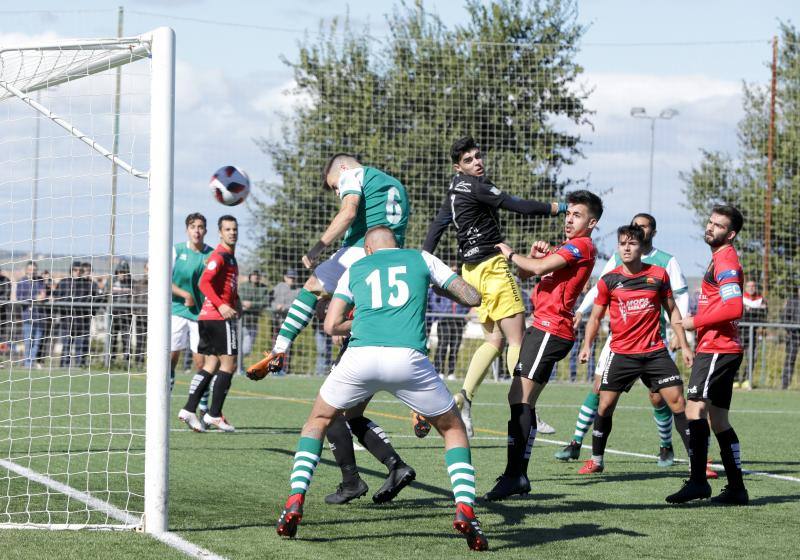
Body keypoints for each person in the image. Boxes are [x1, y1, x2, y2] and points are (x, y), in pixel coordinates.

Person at [275, 226, 488, 551]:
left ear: (369, 250)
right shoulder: (422, 259)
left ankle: (294, 500)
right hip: (409, 359)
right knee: (453, 429)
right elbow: (473, 297)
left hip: (360, 357)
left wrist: (363, 320)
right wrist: (437, 289)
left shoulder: (356, 268)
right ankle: (465, 509)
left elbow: (331, 325)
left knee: (317, 420)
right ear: (396, 246)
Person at [422, 136, 564, 437]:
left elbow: (437, 226)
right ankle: (527, 412)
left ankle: (463, 398)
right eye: (470, 160)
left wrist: (423, 260)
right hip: (492, 267)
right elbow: (518, 206)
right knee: (517, 341)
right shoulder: (477, 187)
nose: (478, 162)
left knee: (493, 342)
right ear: (458, 167)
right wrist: (557, 207)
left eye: (478, 156)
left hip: (470, 271)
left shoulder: (453, 190)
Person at [484, 190, 602, 501]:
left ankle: (514, 476)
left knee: (519, 397)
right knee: (523, 401)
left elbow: (533, 270)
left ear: (592, 223)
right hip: (545, 329)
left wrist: (509, 253)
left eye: (576, 215)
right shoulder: (569, 246)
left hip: (551, 329)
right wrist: (534, 258)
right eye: (568, 214)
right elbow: (529, 272)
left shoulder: (583, 245)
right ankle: (518, 475)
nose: (569, 219)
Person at [247, 153, 409, 379]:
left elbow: (348, 212)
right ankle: (349, 358)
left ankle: (280, 349)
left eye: (334, 185)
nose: (337, 192)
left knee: (314, 286)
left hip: (362, 250)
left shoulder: (352, 174)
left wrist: (316, 248)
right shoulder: (396, 185)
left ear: (342, 167)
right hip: (396, 261)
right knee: (346, 313)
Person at [555, 213, 691, 468]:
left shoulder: (661, 271)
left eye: (632, 242)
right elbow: (597, 311)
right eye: (623, 243)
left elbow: (674, 307)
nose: (627, 247)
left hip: (654, 348)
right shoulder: (611, 276)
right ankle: (589, 453)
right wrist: (585, 341)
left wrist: (683, 341)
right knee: (603, 402)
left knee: (673, 400)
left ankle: (690, 458)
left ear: (645, 241)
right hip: (621, 351)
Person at [666, 205, 749, 505]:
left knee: (693, 411)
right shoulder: (719, 258)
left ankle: (699, 481)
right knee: (720, 421)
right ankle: (737, 488)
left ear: (731, 233)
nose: (711, 227)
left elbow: (733, 308)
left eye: (719, 225)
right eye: (710, 222)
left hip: (717, 348)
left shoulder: (726, 258)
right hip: (722, 348)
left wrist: (692, 322)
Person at [178, 215, 241, 433]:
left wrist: (236, 302)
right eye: (227, 229)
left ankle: (188, 409)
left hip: (209, 318)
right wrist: (222, 306)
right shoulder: (220, 255)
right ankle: (214, 414)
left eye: (234, 229)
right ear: (220, 233)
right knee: (229, 365)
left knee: (211, 365)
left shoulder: (230, 257)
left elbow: (227, 287)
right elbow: (203, 283)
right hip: (216, 317)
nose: (232, 232)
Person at [170, 213, 213, 392]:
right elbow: (163, 279)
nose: (197, 230)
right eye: (193, 227)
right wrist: (184, 294)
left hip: (200, 314)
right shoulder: (177, 251)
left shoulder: (211, 254)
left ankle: (199, 407)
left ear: (205, 230)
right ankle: (166, 395)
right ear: (187, 230)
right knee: (171, 357)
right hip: (176, 311)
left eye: (200, 227)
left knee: (201, 362)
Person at [428, 264, 470, 380]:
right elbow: (433, 301)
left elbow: (468, 299)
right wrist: (442, 311)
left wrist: (464, 313)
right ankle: (438, 370)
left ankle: (451, 372)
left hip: (458, 320)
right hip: (444, 319)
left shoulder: (462, 284)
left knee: (455, 347)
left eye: (456, 269)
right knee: (442, 345)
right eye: (452, 269)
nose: (454, 271)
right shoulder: (442, 283)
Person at [54, 261, 98, 367]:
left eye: (80, 270)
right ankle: (63, 368)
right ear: (71, 270)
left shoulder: (88, 284)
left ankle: (79, 367)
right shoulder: (64, 283)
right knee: (66, 347)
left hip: (82, 322)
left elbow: (93, 301)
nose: (77, 272)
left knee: (80, 347)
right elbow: (57, 298)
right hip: (67, 322)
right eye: (75, 270)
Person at [15, 261, 47, 369]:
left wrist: (45, 296)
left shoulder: (40, 281)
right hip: (28, 317)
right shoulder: (21, 282)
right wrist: (34, 298)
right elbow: (19, 298)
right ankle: (28, 364)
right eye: (30, 270)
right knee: (28, 341)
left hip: (40, 316)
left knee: (38, 341)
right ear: (26, 270)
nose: (32, 272)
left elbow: (43, 294)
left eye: (34, 270)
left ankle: (31, 362)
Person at [268, 269, 300, 374]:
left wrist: (285, 308)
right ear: (285, 277)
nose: (292, 279)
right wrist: (275, 307)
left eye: (293, 278)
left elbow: (298, 306)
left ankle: (284, 369)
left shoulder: (298, 291)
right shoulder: (278, 287)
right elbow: (270, 301)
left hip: (290, 323)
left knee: (287, 347)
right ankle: (274, 367)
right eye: (290, 277)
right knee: (275, 345)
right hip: (276, 322)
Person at [737, 280, 766, 389]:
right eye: (749, 286)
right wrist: (755, 311)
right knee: (737, 357)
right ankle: (735, 380)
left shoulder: (761, 299)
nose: (751, 288)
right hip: (740, 332)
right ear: (746, 287)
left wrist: (750, 310)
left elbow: (763, 315)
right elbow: (740, 314)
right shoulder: (741, 298)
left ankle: (746, 379)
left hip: (754, 333)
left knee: (752, 357)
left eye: (753, 286)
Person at [240, 270, 270, 358]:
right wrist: (244, 303)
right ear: (250, 276)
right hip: (241, 320)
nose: (255, 277)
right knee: (237, 346)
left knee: (247, 349)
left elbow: (264, 303)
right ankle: (239, 367)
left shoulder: (264, 288)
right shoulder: (243, 286)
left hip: (254, 320)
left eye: (257, 275)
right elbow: (238, 300)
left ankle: (239, 365)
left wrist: (251, 304)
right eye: (253, 275)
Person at [109, 260, 133, 365]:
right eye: (120, 272)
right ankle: (111, 361)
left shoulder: (131, 283)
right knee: (112, 338)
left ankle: (126, 362)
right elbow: (105, 296)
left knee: (126, 339)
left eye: (124, 272)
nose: (121, 274)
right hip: (113, 315)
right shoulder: (111, 282)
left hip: (126, 317)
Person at [780, 286, 800, 390]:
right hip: (794, 335)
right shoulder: (792, 301)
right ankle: (785, 384)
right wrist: (789, 329)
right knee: (790, 359)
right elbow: (784, 317)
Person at [132, 262, 149, 366]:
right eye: (147, 269)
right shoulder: (138, 284)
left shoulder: (160, 284)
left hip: (155, 318)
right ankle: (138, 362)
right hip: (141, 316)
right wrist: (136, 311)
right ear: (144, 269)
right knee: (140, 340)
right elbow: (134, 298)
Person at [312, 298, 333, 375]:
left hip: (330, 329)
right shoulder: (319, 301)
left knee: (328, 350)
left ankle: (327, 370)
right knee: (321, 350)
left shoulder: (333, 299)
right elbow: (318, 314)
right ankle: (319, 371)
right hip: (320, 329)